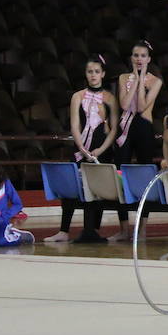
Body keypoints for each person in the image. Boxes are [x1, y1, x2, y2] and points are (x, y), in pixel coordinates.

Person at [44, 54, 119, 243]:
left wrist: (100, 150)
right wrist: (81, 148)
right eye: (89, 72)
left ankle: (93, 229)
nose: (93, 75)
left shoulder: (110, 98)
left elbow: (114, 129)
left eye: (96, 72)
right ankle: (63, 230)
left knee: (98, 190)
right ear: (85, 74)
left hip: (102, 148)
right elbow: (75, 125)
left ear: (103, 74)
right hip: (81, 148)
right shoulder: (77, 96)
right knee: (70, 187)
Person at [111, 39, 163, 241]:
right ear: (131, 58)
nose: (139, 59)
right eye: (136, 55)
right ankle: (124, 228)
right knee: (119, 176)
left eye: (143, 56)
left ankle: (142, 229)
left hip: (143, 127)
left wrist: (141, 80)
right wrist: (133, 79)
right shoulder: (124, 77)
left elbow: (141, 107)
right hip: (126, 127)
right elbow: (125, 104)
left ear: (149, 59)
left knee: (144, 176)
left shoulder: (156, 81)